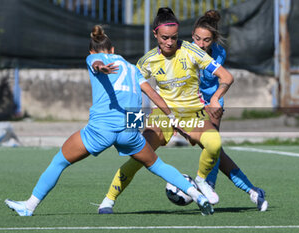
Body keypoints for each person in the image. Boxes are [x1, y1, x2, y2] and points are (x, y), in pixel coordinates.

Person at [4, 25, 214, 216]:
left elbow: (95, 63)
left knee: (60, 161)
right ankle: (198, 196)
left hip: (102, 127)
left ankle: (29, 206)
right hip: (131, 126)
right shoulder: (133, 68)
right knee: (156, 163)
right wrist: (171, 118)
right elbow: (153, 95)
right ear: (113, 50)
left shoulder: (94, 59)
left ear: (92, 51)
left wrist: (100, 67)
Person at [98, 7, 234, 214]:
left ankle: (200, 180)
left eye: (174, 37)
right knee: (140, 156)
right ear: (155, 34)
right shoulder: (147, 60)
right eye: (164, 38)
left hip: (190, 113)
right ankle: (108, 200)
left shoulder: (192, 50)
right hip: (163, 115)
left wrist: (215, 98)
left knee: (214, 143)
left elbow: (227, 77)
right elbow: (135, 92)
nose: (170, 42)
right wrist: (132, 125)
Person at [192, 10, 268, 211]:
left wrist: (215, 99)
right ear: (192, 36)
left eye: (206, 40)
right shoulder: (186, 52)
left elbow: (222, 80)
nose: (201, 44)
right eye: (197, 39)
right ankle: (252, 190)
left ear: (213, 40)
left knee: (213, 149)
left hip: (211, 102)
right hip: (189, 104)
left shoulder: (219, 53)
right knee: (215, 150)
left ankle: (209, 186)